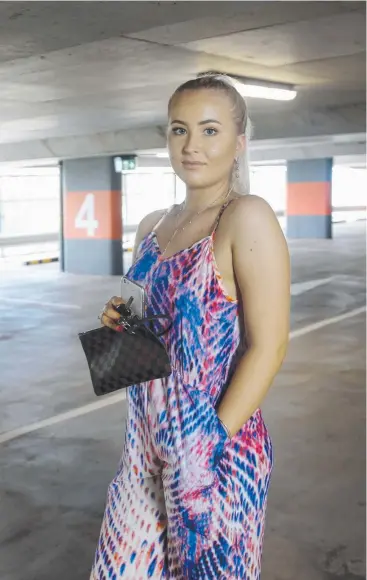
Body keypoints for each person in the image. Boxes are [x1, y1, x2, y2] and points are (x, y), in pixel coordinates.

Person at [90, 73, 290, 580]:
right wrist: (119, 325)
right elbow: (142, 339)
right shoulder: (151, 226)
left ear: (239, 142)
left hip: (215, 454)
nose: (192, 146)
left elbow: (268, 347)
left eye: (209, 130)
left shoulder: (247, 218)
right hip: (143, 449)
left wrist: (205, 446)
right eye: (180, 130)